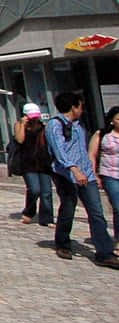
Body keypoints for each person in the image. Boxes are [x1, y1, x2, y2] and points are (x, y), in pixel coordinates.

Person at [45, 91, 119, 266]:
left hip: (87, 174)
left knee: (96, 213)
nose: (82, 109)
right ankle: (63, 243)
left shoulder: (78, 125)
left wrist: (90, 172)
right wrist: (74, 170)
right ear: (73, 106)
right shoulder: (54, 125)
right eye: (80, 105)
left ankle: (104, 253)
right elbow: (59, 150)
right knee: (68, 208)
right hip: (65, 174)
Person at [12, 102, 54, 226]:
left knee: (46, 192)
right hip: (28, 163)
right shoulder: (19, 125)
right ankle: (29, 212)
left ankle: (47, 218)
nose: (35, 119)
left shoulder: (43, 126)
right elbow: (20, 140)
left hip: (43, 162)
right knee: (34, 189)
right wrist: (23, 124)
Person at [97, 107, 119, 239]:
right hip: (110, 174)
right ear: (112, 121)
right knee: (118, 207)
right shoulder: (103, 135)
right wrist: (94, 174)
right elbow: (92, 155)